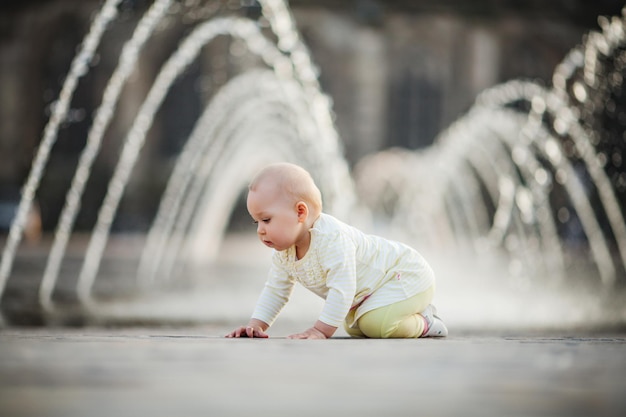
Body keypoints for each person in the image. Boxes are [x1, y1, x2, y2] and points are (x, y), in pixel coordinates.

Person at [225, 162, 447, 339]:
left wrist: (320, 330)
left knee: (376, 324)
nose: (261, 231)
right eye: (257, 223)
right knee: (355, 327)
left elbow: (342, 288)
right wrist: (255, 326)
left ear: (300, 213)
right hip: (376, 290)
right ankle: (399, 316)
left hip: (406, 274)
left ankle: (425, 322)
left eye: (266, 220)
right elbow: (276, 290)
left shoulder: (330, 239)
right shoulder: (284, 254)